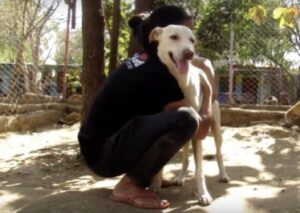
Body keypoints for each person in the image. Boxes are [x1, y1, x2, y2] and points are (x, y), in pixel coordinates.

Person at [78, 5, 211, 210]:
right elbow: (201, 131)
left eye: (190, 38)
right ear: (158, 34)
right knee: (187, 119)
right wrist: (207, 93)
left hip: (100, 147)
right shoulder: (158, 74)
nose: (187, 48)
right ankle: (128, 185)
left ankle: (148, 175)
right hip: (104, 156)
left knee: (177, 117)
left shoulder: (148, 58)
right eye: (176, 36)